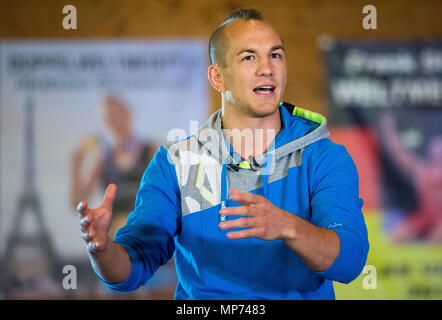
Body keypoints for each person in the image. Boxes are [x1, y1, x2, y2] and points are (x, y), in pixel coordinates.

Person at [77, 8, 369, 299]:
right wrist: (102, 250)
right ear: (218, 78)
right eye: (249, 57)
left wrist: (288, 227)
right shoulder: (178, 162)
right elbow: (132, 268)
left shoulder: (323, 156)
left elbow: (349, 262)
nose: (267, 68)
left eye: (275, 55)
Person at [72, 95, 156, 238]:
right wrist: (76, 164)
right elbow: (77, 203)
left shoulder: (152, 152)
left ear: (128, 114)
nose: (112, 122)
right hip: (116, 237)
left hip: (148, 234)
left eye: (115, 115)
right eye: (107, 118)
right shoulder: (102, 160)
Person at [379, 111, 442, 243]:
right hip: (425, 216)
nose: (438, 154)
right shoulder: (423, 170)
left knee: (437, 237)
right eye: (436, 152)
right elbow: (397, 152)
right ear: (431, 153)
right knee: (396, 236)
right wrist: (387, 127)